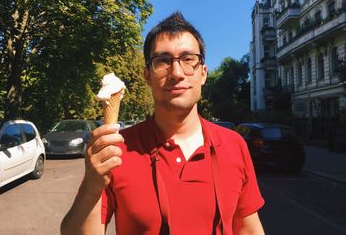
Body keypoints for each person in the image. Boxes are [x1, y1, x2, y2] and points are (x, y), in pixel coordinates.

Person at [61, 12, 265, 235]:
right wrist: (91, 187)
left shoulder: (234, 144)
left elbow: (249, 229)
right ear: (147, 75)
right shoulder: (116, 149)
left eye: (188, 59)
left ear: (203, 74)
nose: (176, 73)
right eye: (163, 61)